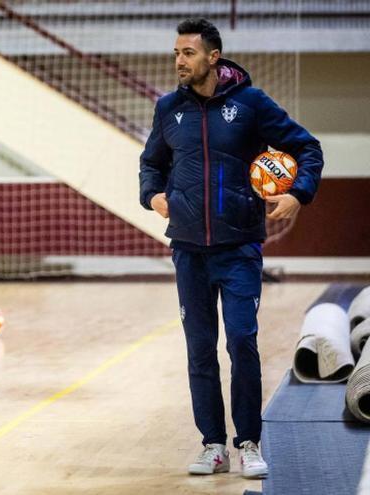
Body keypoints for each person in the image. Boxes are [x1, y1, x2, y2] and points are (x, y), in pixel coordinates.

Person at [139, 19, 323, 479]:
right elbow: (150, 165)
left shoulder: (251, 105)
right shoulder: (168, 109)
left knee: (242, 342)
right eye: (176, 52)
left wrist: (298, 193)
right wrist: (154, 196)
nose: (179, 60)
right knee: (200, 349)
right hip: (188, 250)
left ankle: (249, 442)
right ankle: (213, 445)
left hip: (239, 247)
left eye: (187, 53)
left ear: (213, 57)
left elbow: (308, 147)